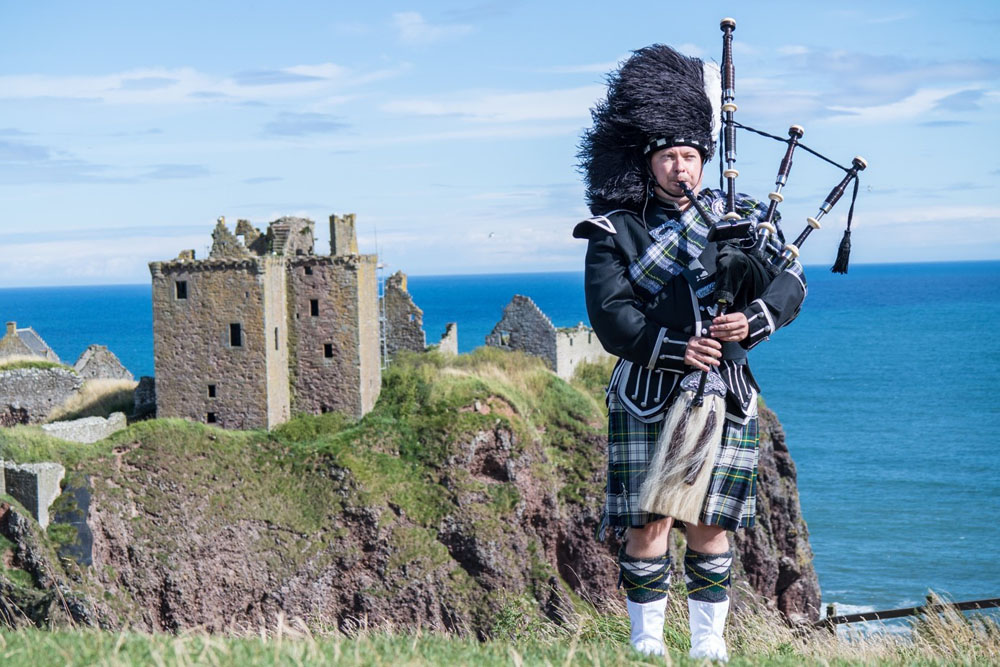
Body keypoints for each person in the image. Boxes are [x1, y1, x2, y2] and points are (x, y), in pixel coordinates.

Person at [573, 44, 807, 661]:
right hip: (649, 395)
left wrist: (752, 319)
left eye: (691, 156)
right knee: (648, 524)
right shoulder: (617, 228)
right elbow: (610, 315)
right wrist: (679, 347)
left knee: (710, 524)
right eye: (669, 156)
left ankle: (709, 646)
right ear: (647, 161)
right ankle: (646, 645)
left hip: (726, 392)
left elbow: (792, 281)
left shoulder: (743, 217)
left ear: (705, 159)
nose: (682, 168)